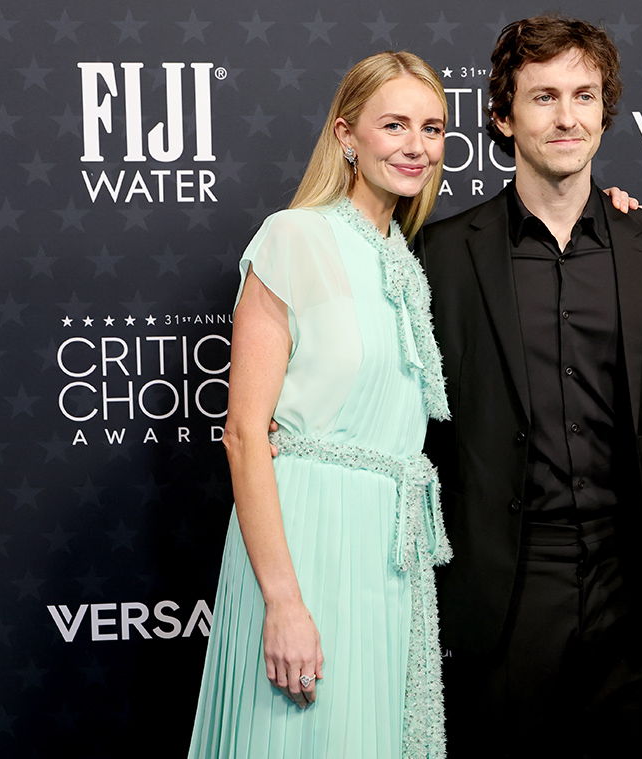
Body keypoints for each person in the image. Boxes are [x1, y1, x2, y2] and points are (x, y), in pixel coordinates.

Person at [414, 16, 642, 758]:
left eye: (584, 95)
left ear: (604, 111)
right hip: (506, 591)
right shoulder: (443, 254)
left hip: (631, 585)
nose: (567, 116)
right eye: (544, 96)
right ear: (502, 114)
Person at [187, 51, 454, 759]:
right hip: (306, 543)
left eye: (432, 128)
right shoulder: (293, 235)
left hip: (388, 560)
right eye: (393, 124)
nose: (416, 145)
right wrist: (282, 601)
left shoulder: (405, 258)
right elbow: (245, 432)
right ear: (346, 135)